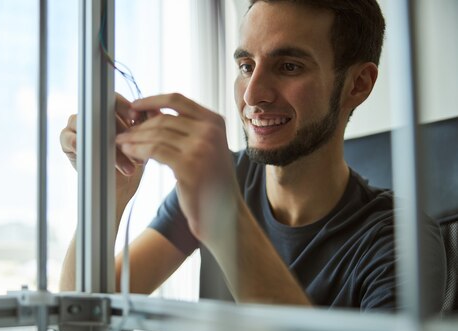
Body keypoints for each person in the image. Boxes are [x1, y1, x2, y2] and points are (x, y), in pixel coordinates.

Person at [59, 0, 446, 312]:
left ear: (358, 84)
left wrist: (224, 218)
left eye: (289, 66)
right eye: (246, 66)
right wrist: (108, 194)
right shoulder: (221, 182)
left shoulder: (400, 241)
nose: (251, 94)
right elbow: (79, 316)